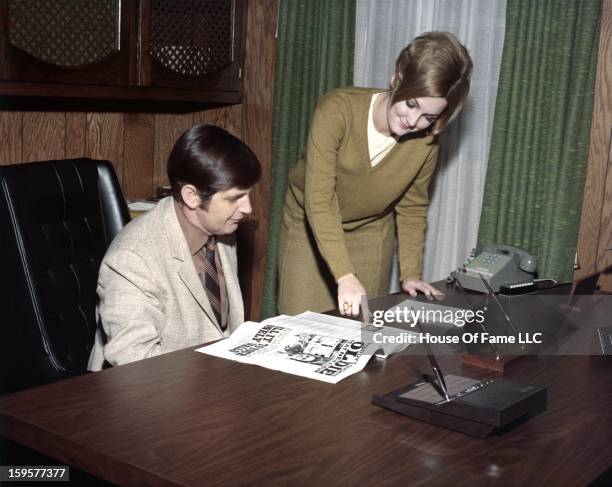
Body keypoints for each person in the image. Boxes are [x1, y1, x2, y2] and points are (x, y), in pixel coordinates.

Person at [277, 32, 473, 317]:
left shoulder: (426, 142)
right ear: (396, 79)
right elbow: (319, 199)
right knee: (297, 332)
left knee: (360, 337)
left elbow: (412, 207)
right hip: (309, 226)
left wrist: (410, 274)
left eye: (428, 118)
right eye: (411, 104)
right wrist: (344, 275)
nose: (413, 122)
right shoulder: (337, 110)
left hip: (371, 232)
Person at [88, 124, 261, 369]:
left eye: (247, 194)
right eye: (235, 198)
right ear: (192, 197)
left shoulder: (222, 231)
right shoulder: (132, 258)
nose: (247, 208)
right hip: (148, 394)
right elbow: (134, 361)